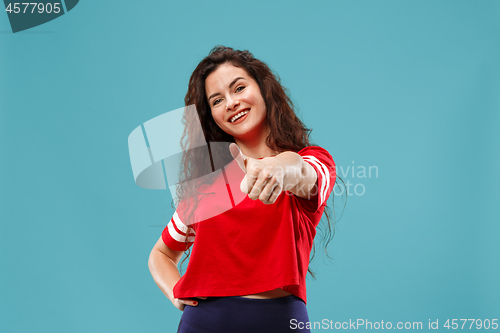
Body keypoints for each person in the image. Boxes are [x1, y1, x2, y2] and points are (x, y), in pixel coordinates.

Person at [148, 46, 338, 332]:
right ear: (210, 115)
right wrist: (176, 291)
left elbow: (300, 171)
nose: (231, 103)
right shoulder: (204, 188)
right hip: (203, 324)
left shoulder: (313, 161)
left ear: (263, 89)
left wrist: (276, 168)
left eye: (239, 88)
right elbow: (161, 254)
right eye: (217, 100)